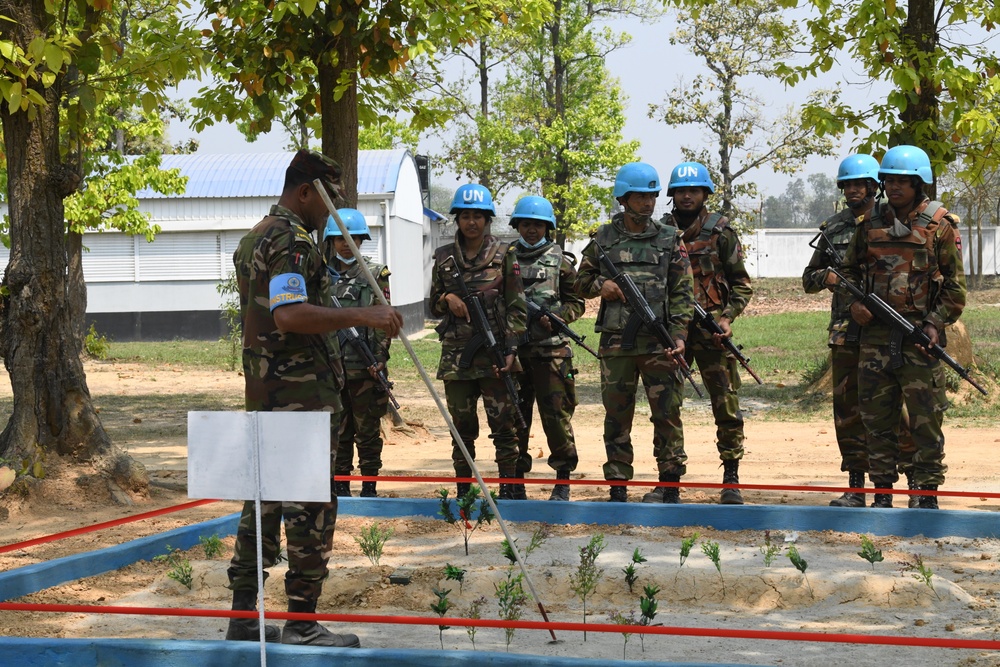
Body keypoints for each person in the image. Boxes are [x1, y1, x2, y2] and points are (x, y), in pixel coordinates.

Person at [226, 150, 402, 647]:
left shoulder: (256, 235)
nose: (329, 213)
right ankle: (301, 623)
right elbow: (289, 315)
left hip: (266, 394)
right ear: (306, 192)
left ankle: (243, 618)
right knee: (309, 510)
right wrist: (363, 316)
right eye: (326, 201)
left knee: (260, 506)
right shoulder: (293, 241)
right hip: (299, 399)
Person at [840, 144, 966, 510]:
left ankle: (926, 493)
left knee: (926, 419)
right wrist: (856, 304)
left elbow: (956, 287)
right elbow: (847, 272)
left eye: (903, 182)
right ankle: (882, 491)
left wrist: (934, 323)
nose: (895, 188)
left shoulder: (939, 226)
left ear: (918, 184)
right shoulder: (871, 225)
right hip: (875, 337)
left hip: (920, 339)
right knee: (876, 417)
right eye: (890, 181)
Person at [576, 162, 695, 503]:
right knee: (616, 415)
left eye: (652, 196)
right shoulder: (602, 238)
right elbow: (579, 282)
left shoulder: (671, 239)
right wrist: (604, 285)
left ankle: (669, 482)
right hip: (617, 344)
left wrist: (679, 336)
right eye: (640, 197)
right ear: (624, 199)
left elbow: (683, 293)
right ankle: (618, 484)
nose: (647, 203)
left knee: (668, 413)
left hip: (660, 343)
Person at [657, 161, 753, 505]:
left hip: (712, 331)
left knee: (725, 404)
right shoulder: (661, 233)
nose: (686, 196)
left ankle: (731, 477)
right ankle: (668, 479)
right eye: (681, 191)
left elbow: (741, 285)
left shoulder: (721, 232)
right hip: (673, 333)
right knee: (667, 404)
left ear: (704, 194)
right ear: (671, 195)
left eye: (693, 190)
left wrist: (727, 318)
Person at [429, 184, 527, 500]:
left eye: (478, 217)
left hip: (496, 353)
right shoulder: (444, 257)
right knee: (462, 430)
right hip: (457, 357)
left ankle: (509, 490)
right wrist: (448, 298)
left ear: (487, 220)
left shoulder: (504, 254)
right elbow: (431, 304)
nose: (472, 223)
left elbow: (517, 304)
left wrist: (512, 348)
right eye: (466, 216)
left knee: (504, 426)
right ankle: (464, 492)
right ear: (457, 220)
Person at [802, 154, 881, 507]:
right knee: (848, 409)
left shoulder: (888, 222)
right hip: (845, 331)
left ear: (872, 187)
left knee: (890, 408)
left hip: (884, 330)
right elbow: (808, 278)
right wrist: (828, 277)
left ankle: (902, 485)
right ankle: (855, 484)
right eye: (846, 185)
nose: (851, 190)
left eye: (858, 184)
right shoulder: (832, 229)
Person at [510, 195, 585, 501]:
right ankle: (514, 479)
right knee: (515, 418)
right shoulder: (506, 259)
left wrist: (559, 318)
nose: (532, 230)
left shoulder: (561, 261)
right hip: (514, 353)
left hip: (552, 352)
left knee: (556, 418)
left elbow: (576, 301)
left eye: (538, 225)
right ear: (517, 225)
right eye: (526, 224)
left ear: (548, 228)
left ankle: (562, 480)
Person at [324, 209, 392, 499]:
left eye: (352, 237)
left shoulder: (375, 274)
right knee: (338, 432)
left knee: (367, 433)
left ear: (362, 239)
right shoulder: (321, 275)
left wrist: (379, 358)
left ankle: (369, 486)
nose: (345, 243)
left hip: (366, 369)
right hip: (332, 370)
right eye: (339, 237)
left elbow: (384, 320)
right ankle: (340, 486)